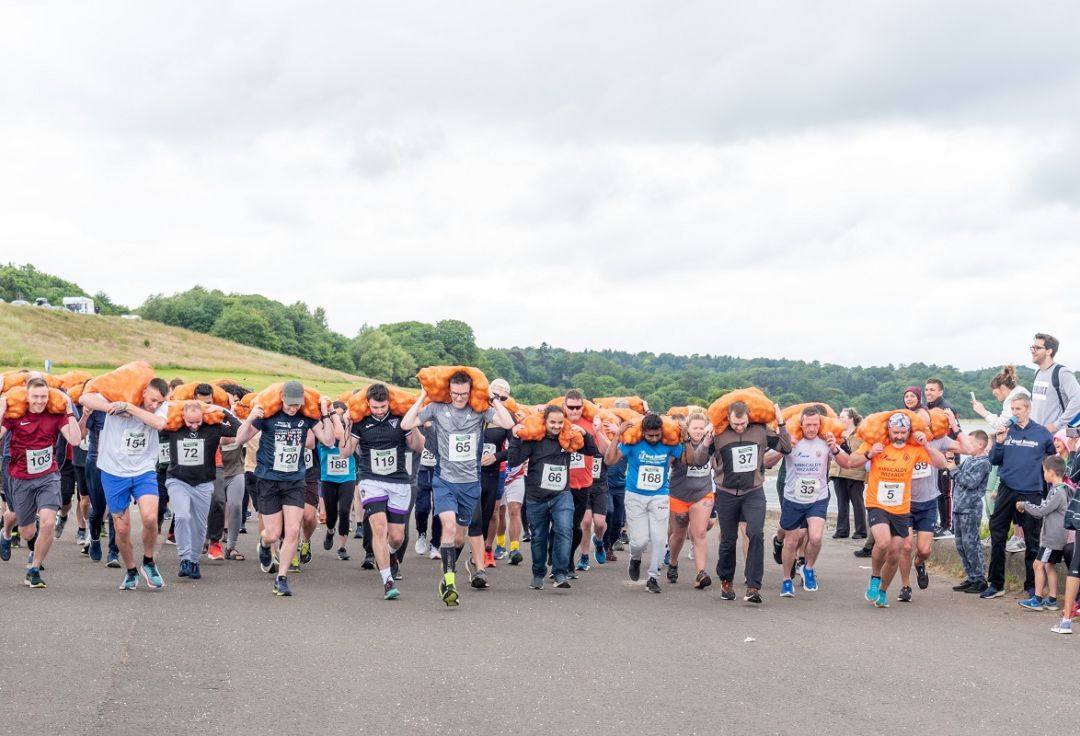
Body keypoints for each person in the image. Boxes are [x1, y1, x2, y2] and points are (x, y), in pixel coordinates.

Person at [401, 371, 515, 606]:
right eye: (455, 393)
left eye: (464, 393)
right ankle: (449, 582)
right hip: (444, 481)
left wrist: (492, 398)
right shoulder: (436, 409)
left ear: (470, 392)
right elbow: (406, 423)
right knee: (449, 528)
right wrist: (424, 395)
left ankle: (452, 566)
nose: (459, 398)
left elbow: (508, 423)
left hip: (471, 483)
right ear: (449, 391)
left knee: (460, 537)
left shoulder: (478, 410)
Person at [232, 381, 341, 597]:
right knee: (273, 533)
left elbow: (328, 440)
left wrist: (326, 414)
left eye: (296, 405)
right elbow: (240, 439)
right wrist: (252, 416)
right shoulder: (268, 416)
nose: (293, 409)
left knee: (292, 530)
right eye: (289, 405)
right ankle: (264, 544)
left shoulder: (306, 417)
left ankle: (281, 578)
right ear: (281, 400)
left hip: (295, 480)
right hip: (269, 479)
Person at [838, 413, 947, 607]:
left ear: (908, 432)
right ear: (888, 430)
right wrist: (869, 454)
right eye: (895, 432)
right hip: (877, 503)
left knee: (895, 552)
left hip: (901, 507)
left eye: (903, 432)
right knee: (883, 542)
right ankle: (874, 577)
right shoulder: (877, 444)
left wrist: (927, 446)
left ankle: (882, 592)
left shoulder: (914, 449)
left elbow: (941, 464)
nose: (898, 436)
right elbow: (850, 462)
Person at [79, 377, 171, 591]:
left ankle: (148, 563)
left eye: (159, 402)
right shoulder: (118, 395)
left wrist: (130, 408)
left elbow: (159, 423)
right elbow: (85, 397)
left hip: (143, 469)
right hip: (113, 471)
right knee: (121, 529)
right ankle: (130, 570)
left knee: (150, 518)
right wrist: (111, 407)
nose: (155, 405)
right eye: (152, 400)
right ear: (144, 390)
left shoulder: (160, 406)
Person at [604, 413, 711, 594]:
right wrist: (617, 435)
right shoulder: (633, 443)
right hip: (635, 496)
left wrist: (685, 439)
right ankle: (635, 558)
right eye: (650, 436)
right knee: (639, 541)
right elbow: (609, 460)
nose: (654, 439)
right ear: (643, 432)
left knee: (660, 539)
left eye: (657, 435)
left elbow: (690, 460)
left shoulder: (669, 445)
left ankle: (653, 577)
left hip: (660, 496)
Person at [342, 383, 424, 600]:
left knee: (397, 537)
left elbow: (418, 447)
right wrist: (347, 425)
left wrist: (412, 424)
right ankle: (387, 580)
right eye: (375, 407)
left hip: (398, 480)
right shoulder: (361, 422)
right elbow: (344, 453)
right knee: (379, 527)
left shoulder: (399, 419)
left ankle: (390, 556)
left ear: (389, 402)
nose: (379, 411)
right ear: (368, 404)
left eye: (383, 407)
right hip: (371, 480)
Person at [0, 378, 83, 588]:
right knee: (27, 532)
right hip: (20, 478)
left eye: (44, 397)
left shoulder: (55, 415)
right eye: (35, 397)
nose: (39, 401)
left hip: (48, 476)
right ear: (27, 397)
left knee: (47, 522)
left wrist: (70, 411)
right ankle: (5, 532)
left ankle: (34, 569)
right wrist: (1, 410)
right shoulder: (16, 415)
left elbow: (75, 440)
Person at [507, 405, 599, 589]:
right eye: (552, 422)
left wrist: (585, 433)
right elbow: (513, 461)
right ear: (545, 422)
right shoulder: (534, 440)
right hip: (536, 497)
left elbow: (592, 451)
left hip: (561, 495)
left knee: (565, 531)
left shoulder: (567, 439)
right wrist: (515, 438)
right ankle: (538, 573)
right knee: (539, 536)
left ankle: (560, 573)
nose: (556, 426)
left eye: (559, 422)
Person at [708, 401, 790, 603]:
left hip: (753, 491)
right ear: (728, 419)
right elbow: (700, 459)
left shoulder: (760, 430)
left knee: (756, 534)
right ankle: (726, 581)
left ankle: (753, 586)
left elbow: (786, 447)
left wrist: (780, 422)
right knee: (728, 539)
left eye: (743, 423)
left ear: (748, 418)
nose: (739, 427)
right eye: (735, 424)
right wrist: (705, 440)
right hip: (726, 492)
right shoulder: (719, 433)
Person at [982, 394, 1057, 600]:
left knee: (1032, 540)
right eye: (1012, 409)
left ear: (1028, 409)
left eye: (1018, 409)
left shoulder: (1041, 433)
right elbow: (995, 460)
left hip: (1032, 491)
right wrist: (999, 441)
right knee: (998, 533)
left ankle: (1032, 586)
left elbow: (1051, 461)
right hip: (1008, 489)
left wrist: (1049, 488)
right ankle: (996, 584)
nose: (1014, 413)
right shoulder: (1007, 431)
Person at [774, 407, 848, 598]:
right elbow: (766, 462)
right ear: (801, 424)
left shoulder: (825, 441)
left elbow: (846, 463)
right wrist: (783, 448)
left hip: (818, 497)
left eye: (816, 424)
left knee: (815, 537)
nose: (812, 428)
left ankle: (808, 568)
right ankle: (786, 580)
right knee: (791, 541)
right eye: (808, 425)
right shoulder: (793, 441)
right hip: (793, 498)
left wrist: (835, 448)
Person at [160, 401, 238, 579]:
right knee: (182, 516)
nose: (194, 426)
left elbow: (237, 430)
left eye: (198, 422)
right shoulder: (173, 428)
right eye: (190, 422)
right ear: (183, 418)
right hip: (178, 480)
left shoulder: (213, 428)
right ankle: (185, 558)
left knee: (199, 524)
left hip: (203, 483)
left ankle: (194, 561)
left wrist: (223, 411)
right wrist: (164, 408)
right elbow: (154, 425)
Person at [971, 365, 1033, 553]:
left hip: (1021, 451)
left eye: (995, 393)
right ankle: (1017, 536)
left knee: (1016, 500)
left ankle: (1019, 537)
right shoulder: (1021, 393)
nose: (996, 396)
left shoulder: (1013, 398)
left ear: (1002, 388)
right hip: (1025, 449)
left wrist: (982, 412)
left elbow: (1001, 425)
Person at [666, 411, 716, 589]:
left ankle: (700, 574)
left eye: (701, 428)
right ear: (688, 428)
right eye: (695, 428)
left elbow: (717, 464)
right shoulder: (679, 443)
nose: (698, 431)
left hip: (702, 493)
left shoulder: (711, 443)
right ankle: (672, 562)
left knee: (699, 533)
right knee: (678, 535)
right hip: (679, 494)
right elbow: (668, 459)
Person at [1016, 455, 1070, 611]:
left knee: (1037, 565)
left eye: (1044, 471)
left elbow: (1041, 511)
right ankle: (1052, 600)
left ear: (1051, 472)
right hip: (1059, 536)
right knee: (1049, 566)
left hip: (1052, 538)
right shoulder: (1065, 489)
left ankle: (1037, 599)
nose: (1043, 474)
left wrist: (1024, 505)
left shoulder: (1057, 491)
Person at [950, 430, 992, 594]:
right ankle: (971, 576)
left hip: (971, 508)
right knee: (961, 545)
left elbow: (970, 482)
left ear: (980, 444)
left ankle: (980, 578)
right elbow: (954, 474)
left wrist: (953, 469)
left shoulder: (983, 463)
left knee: (971, 544)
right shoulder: (969, 460)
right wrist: (951, 465)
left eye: (970, 443)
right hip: (959, 507)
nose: (966, 447)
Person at [319, 401, 355, 561]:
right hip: (328, 478)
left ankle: (342, 547)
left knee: (345, 511)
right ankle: (330, 530)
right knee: (331, 514)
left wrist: (342, 421)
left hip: (348, 477)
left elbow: (342, 438)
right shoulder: (323, 434)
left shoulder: (346, 433)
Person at [925, 377, 958, 538]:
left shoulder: (947, 408)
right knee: (937, 491)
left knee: (946, 492)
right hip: (933, 455)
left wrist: (950, 455)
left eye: (932, 390)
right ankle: (940, 522)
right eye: (927, 390)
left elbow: (954, 432)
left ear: (940, 392)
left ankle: (948, 525)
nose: (928, 392)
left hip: (948, 455)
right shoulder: (927, 409)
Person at [1029, 333, 1080, 433]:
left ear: (1049, 351)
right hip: (1038, 436)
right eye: (1032, 348)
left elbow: (1078, 399)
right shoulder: (1038, 373)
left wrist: (1057, 424)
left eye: (1037, 348)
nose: (1033, 351)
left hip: (1056, 439)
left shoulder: (1062, 373)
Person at [830, 407, 867, 540]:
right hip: (838, 472)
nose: (840, 420)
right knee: (841, 502)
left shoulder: (861, 434)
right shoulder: (837, 433)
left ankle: (861, 530)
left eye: (843, 417)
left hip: (855, 473)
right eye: (839, 417)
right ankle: (842, 530)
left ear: (851, 418)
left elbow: (864, 452)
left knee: (857, 502)